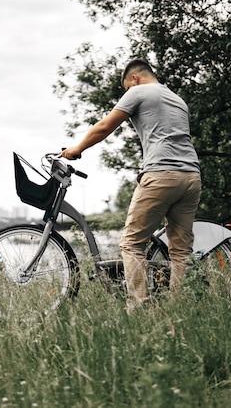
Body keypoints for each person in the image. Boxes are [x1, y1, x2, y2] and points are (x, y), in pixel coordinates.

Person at [62, 59, 201, 310]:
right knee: (180, 251)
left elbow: (105, 127)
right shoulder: (177, 100)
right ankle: (179, 308)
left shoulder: (138, 91)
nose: (128, 93)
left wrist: (76, 149)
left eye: (126, 87)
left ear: (134, 78)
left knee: (132, 243)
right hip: (191, 177)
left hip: (161, 175)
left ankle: (140, 307)